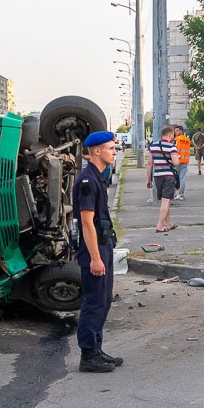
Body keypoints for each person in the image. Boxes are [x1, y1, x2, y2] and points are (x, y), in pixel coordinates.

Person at [72, 131, 124, 373]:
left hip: (103, 245)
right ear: (96, 151)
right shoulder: (87, 181)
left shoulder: (98, 177)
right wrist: (94, 257)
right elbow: (86, 223)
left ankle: (97, 350)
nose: (114, 152)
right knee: (94, 302)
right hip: (93, 248)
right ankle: (88, 356)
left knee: (103, 300)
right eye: (111, 148)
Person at [147, 125, 179, 232]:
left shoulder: (153, 146)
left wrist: (148, 179)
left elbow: (149, 163)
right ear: (170, 135)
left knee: (165, 200)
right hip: (169, 176)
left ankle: (168, 223)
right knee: (166, 200)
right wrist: (178, 158)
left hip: (158, 176)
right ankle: (160, 225)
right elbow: (175, 163)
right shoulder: (171, 147)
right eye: (172, 136)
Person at [173, 125, 191, 199]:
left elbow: (174, 149)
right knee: (182, 178)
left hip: (177, 161)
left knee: (174, 178)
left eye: (177, 130)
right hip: (185, 161)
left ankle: (174, 194)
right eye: (175, 130)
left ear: (181, 131)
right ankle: (181, 194)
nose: (176, 132)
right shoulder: (187, 139)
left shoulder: (176, 139)